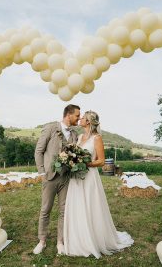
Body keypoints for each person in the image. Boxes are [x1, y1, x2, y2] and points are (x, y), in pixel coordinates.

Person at [63, 111, 134, 258]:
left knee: (90, 205)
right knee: (78, 205)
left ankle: (92, 240)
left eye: (83, 118)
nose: (80, 119)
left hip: (89, 177)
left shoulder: (97, 138)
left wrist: (84, 162)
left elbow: (101, 161)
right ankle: (78, 239)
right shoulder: (81, 137)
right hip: (76, 177)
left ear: (88, 121)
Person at [33, 104, 80, 255]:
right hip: (50, 177)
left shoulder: (74, 134)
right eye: (77, 116)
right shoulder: (51, 128)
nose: (79, 119)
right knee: (45, 209)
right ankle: (42, 241)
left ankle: (60, 241)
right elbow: (39, 151)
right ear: (68, 115)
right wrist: (42, 172)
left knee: (64, 211)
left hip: (66, 178)